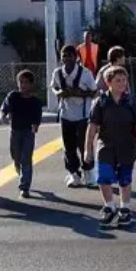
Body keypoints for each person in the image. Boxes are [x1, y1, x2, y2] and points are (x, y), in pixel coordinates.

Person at [85, 66, 136, 227]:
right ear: (108, 82)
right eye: (117, 80)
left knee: (125, 179)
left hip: (127, 146)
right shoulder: (100, 102)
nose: (122, 84)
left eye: (124, 80)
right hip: (106, 146)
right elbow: (92, 127)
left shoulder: (131, 102)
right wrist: (88, 149)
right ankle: (109, 207)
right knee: (104, 178)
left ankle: (125, 209)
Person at [51, 45, 97, 188]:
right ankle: (74, 173)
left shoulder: (85, 73)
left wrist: (80, 93)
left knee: (84, 145)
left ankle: (89, 173)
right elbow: (54, 87)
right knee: (68, 146)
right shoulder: (58, 73)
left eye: (70, 55)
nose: (67, 58)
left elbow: (94, 92)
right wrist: (58, 93)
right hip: (66, 115)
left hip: (83, 115)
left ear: (76, 57)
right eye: (64, 55)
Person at [0, 70, 43, 199]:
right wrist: (4, 115)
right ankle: (20, 172)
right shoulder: (13, 96)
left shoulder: (35, 101)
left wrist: (36, 125)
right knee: (16, 157)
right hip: (15, 131)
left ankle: (25, 187)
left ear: (31, 84)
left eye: (26, 82)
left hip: (28, 132)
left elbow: (37, 116)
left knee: (26, 158)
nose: (23, 85)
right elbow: (4, 108)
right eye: (20, 82)